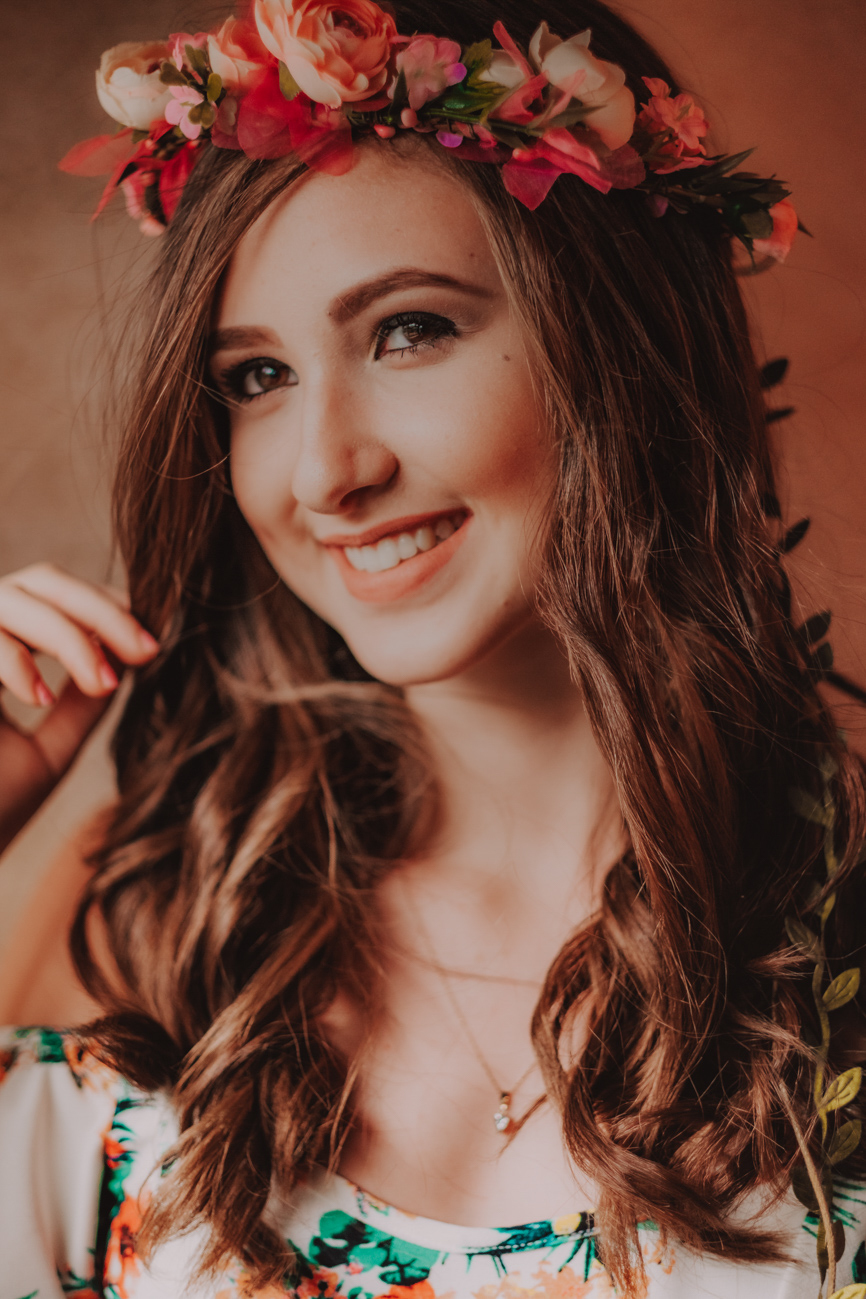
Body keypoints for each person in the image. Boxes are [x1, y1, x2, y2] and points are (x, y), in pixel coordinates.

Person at [1, 0, 865, 1296]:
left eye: (409, 330)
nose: (324, 472)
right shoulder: (150, 939)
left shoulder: (833, 971)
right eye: (257, 378)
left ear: (618, 344)